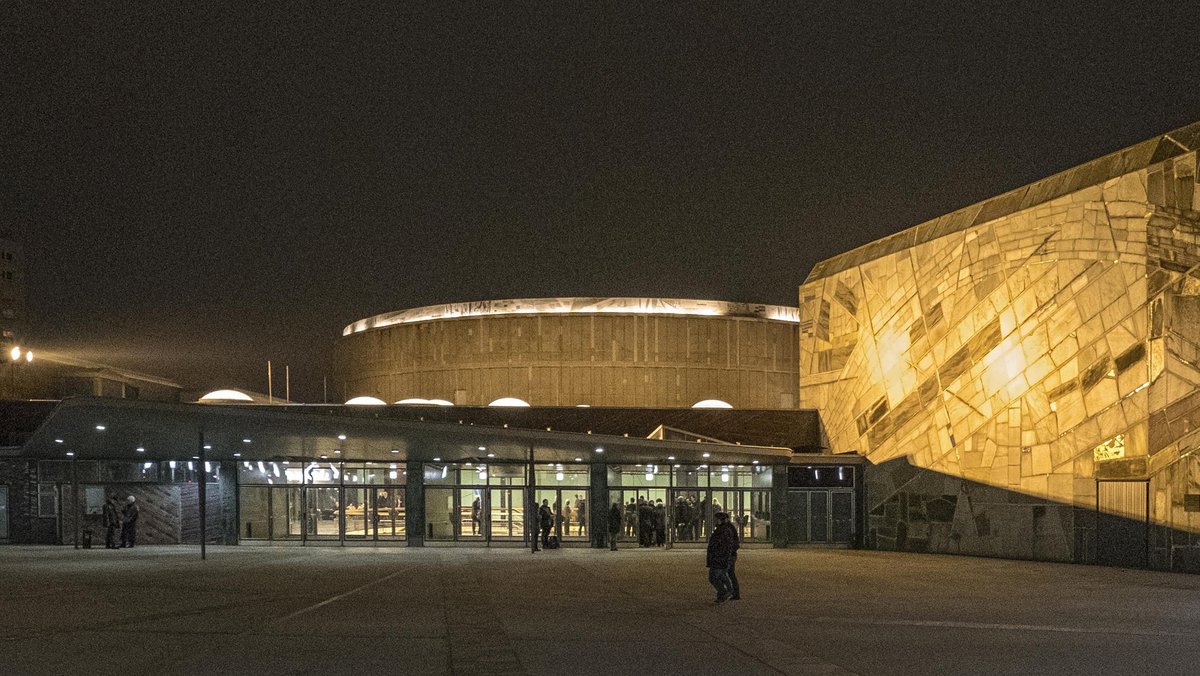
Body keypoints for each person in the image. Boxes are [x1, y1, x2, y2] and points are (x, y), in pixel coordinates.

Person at [706, 511, 738, 603]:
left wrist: (722, 557)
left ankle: (725, 592)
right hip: (721, 557)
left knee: (714, 577)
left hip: (719, 558)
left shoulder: (723, 531)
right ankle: (728, 592)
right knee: (722, 575)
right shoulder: (724, 529)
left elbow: (724, 546)